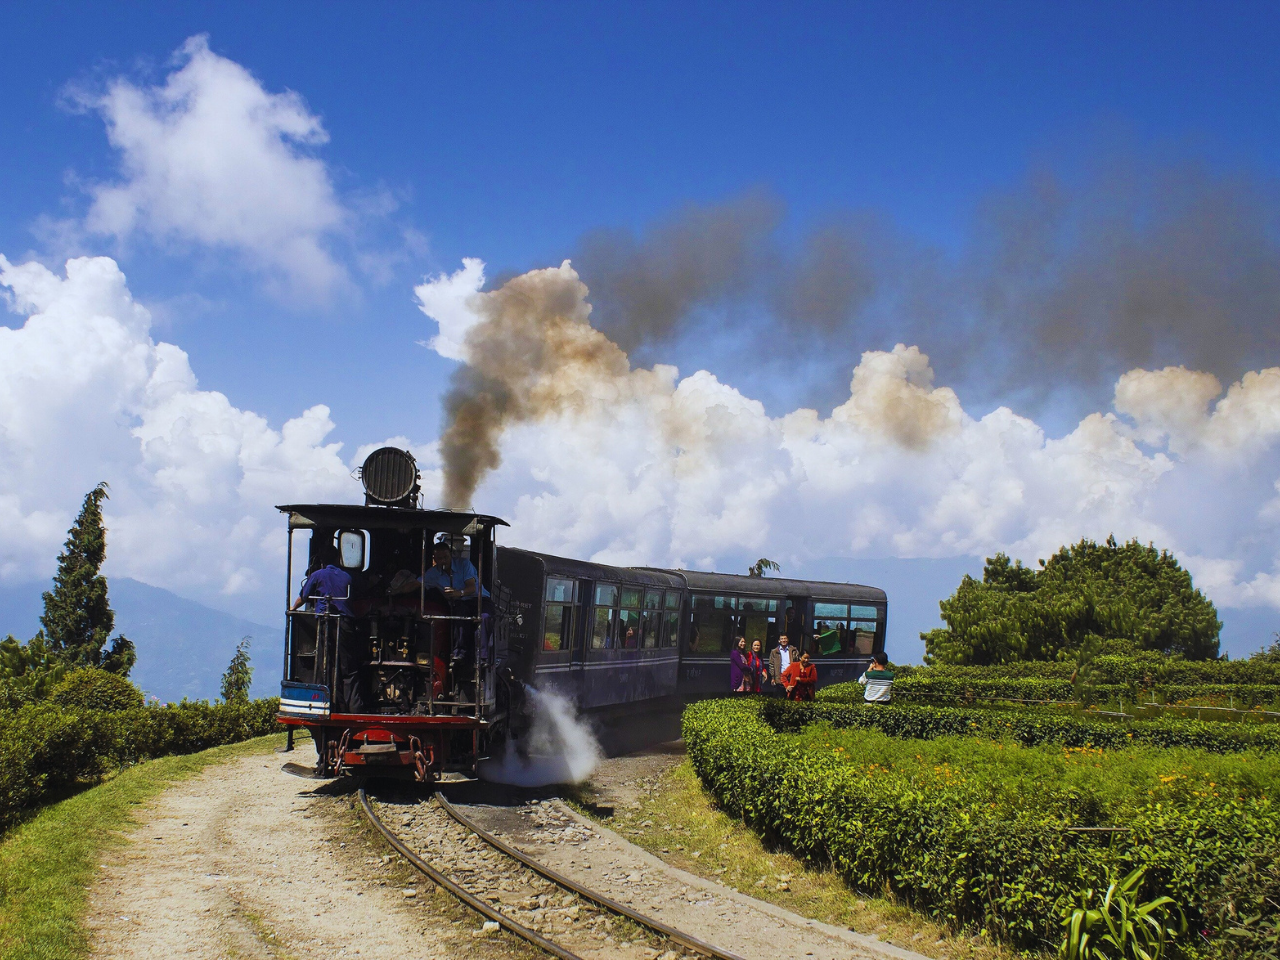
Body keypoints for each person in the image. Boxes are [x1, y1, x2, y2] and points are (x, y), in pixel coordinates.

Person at [292, 547, 363, 713]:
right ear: (339, 558)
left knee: (327, 664)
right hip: (345, 623)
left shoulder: (317, 575)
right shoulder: (347, 576)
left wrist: (292, 608)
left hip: (326, 622)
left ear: (322, 561)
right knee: (348, 667)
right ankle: (354, 707)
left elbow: (303, 597)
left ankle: (331, 705)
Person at [420, 539, 492, 684]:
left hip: (478, 599)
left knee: (484, 617)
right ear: (434, 559)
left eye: (445, 557)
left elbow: (471, 587)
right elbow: (417, 583)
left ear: (450, 555)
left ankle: (483, 657)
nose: (443, 561)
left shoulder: (464, 564)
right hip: (460, 603)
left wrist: (458, 593)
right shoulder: (432, 574)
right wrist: (394, 590)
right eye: (439, 558)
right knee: (458, 614)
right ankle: (459, 653)